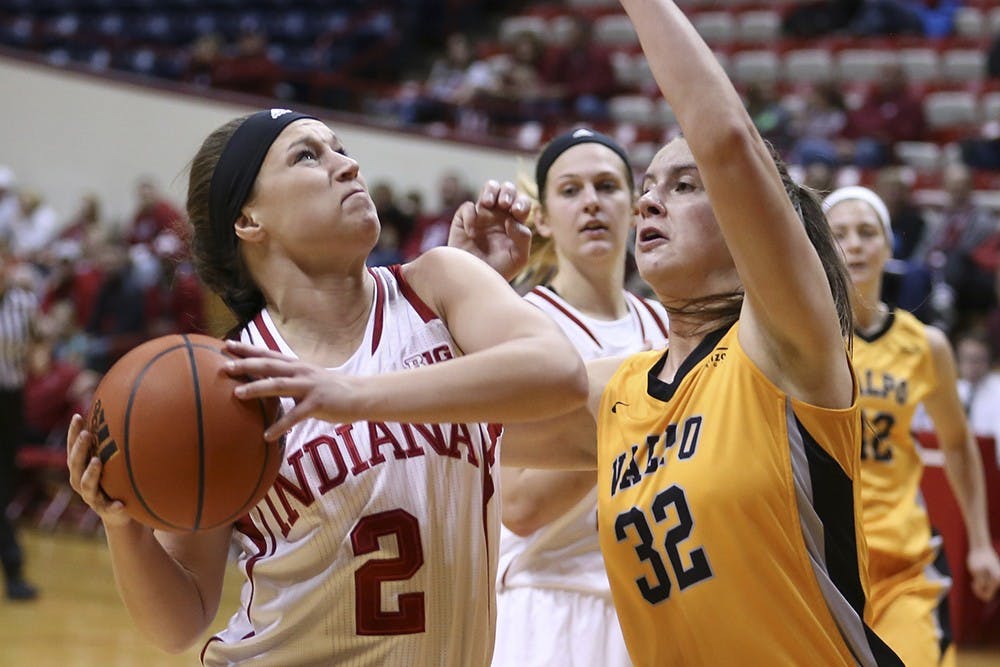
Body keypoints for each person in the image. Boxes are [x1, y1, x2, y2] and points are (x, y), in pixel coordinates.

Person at [457, 1, 904, 663]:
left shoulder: (782, 344)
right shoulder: (630, 380)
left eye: (686, 185)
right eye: (647, 185)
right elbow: (467, 439)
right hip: (555, 612)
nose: (646, 201)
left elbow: (728, 142)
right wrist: (467, 286)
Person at [65, 108, 587, 665]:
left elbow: (560, 373)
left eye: (340, 148)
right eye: (308, 155)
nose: (348, 165)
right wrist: (123, 527)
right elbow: (179, 621)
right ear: (248, 219)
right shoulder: (229, 384)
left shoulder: (439, 283)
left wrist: (353, 395)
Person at [492, 128, 667, 667]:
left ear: (635, 207)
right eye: (570, 190)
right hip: (552, 599)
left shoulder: (668, 326)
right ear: (541, 217)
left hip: (657, 603)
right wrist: (636, 412)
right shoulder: (520, 327)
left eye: (607, 185)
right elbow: (519, 506)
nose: (591, 200)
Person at [823, 185, 1000, 666]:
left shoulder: (926, 344)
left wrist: (981, 544)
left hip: (903, 563)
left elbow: (959, 447)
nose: (855, 244)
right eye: (839, 234)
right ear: (822, 249)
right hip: (822, 569)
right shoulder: (803, 345)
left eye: (866, 232)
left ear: (888, 246)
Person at [0, 246, 40, 601]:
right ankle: (13, 570)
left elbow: (37, 352)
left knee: (5, 485)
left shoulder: (23, 304)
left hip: (10, 401)